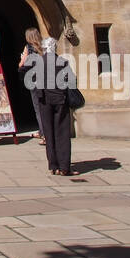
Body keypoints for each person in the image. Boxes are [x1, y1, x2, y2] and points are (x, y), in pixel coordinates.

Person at [31, 34, 76, 176]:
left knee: (49, 134)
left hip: (45, 101)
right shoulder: (62, 62)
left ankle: (54, 165)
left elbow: (34, 81)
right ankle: (64, 167)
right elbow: (70, 81)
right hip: (60, 100)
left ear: (44, 48)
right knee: (62, 133)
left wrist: (40, 95)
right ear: (54, 48)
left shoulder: (39, 62)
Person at [18, 28, 46, 143]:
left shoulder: (28, 48)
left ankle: (44, 135)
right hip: (46, 80)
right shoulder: (45, 46)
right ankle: (42, 131)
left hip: (34, 81)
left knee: (38, 108)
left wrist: (21, 59)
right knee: (46, 106)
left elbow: (22, 65)